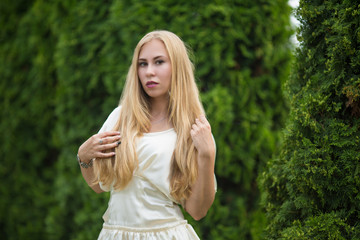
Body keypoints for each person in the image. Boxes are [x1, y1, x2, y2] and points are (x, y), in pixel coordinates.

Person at [77, 30, 216, 239]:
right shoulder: (120, 118)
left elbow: (198, 211)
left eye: (159, 62)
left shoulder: (194, 128)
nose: (149, 72)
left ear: (177, 67)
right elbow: (98, 186)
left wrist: (207, 154)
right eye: (143, 64)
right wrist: (83, 157)